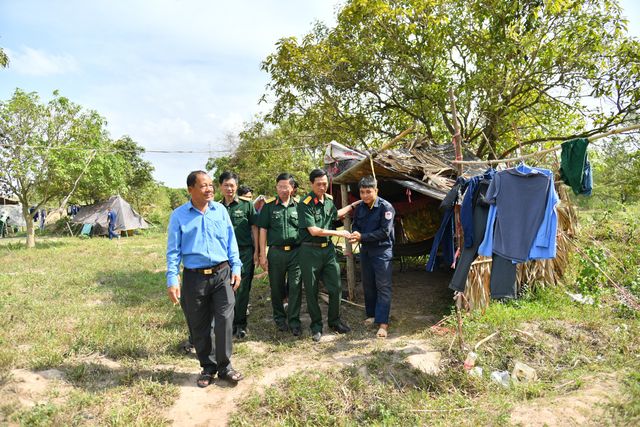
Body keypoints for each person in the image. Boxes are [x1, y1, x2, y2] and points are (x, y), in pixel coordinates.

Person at [166, 170, 244, 387]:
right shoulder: (179, 216)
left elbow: (231, 242)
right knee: (199, 325)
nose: (209, 189)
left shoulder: (220, 211)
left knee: (225, 320)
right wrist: (172, 279)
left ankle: (225, 367)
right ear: (191, 189)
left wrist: (236, 267)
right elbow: (173, 252)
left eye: (210, 185)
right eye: (203, 185)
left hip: (222, 274)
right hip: (194, 278)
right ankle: (207, 368)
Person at [298, 168, 360, 342]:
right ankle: (316, 326)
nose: (322, 187)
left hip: (328, 251)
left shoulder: (328, 200)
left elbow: (335, 214)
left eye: (325, 183)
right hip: (309, 251)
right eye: (319, 184)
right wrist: (341, 233)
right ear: (311, 184)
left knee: (336, 287)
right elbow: (314, 230)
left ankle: (334, 321)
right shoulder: (305, 203)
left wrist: (354, 205)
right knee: (311, 290)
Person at [349, 176, 396, 338]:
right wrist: (355, 232)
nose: (365, 195)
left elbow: (385, 232)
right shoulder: (360, 207)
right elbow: (355, 224)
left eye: (369, 192)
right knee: (368, 284)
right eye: (362, 192)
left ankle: (383, 323)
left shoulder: (386, 207)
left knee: (383, 286)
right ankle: (372, 315)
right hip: (366, 251)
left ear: (376, 191)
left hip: (382, 252)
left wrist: (362, 236)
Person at [257, 173, 302, 336]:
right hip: (276, 253)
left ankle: (295, 321)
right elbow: (263, 230)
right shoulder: (268, 206)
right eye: (280, 186)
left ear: (292, 188)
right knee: (276, 287)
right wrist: (262, 255)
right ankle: (280, 319)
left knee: (295, 287)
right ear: (276, 187)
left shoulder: (299, 205)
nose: (283, 190)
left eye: (286, 186)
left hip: (296, 253)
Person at [219, 171, 259, 339]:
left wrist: (257, 251)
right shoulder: (215, 207)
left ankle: (241, 324)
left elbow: (254, 228)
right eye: (226, 185)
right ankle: (228, 323)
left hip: (244, 253)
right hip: (222, 256)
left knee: (242, 289)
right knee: (225, 290)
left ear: (236, 186)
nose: (229, 188)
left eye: (232, 185)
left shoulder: (246, 205)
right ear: (220, 187)